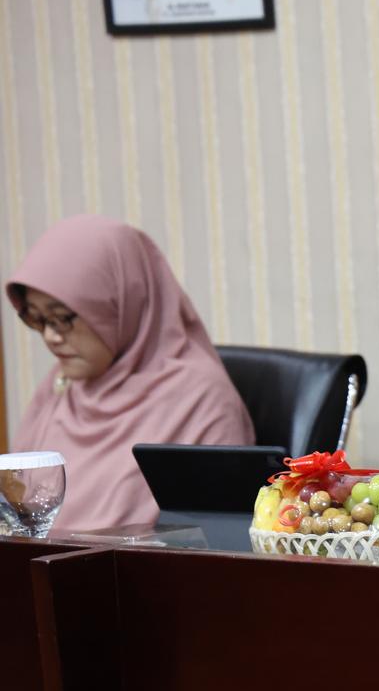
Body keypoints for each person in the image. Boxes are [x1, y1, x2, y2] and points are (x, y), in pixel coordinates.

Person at [5, 214, 254, 533]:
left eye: (62, 318)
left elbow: (215, 539)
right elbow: (17, 513)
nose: (51, 337)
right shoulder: (62, 386)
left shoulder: (200, 399)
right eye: (37, 319)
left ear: (124, 303)